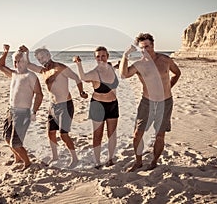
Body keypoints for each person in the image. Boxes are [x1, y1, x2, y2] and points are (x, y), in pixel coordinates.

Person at [120, 33, 181, 171]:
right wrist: (125, 55)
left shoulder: (165, 60)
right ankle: (138, 162)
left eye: (147, 46)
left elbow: (177, 73)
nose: (145, 50)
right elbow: (124, 75)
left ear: (153, 45)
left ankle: (154, 161)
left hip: (165, 103)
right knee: (137, 134)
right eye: (142, 48)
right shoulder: (139, 65)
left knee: (159, 136)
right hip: (147, 102)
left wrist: (169, 87)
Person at [23, 46, 88, 168]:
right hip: (52, 106)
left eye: (42, 57)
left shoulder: (60, 68)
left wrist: (81, 92)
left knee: (64, 135)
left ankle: (75, 159)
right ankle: (55, 156)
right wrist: (26, 52)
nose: (41, 60)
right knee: (51, 132)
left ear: (49, 55)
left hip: (65, 105)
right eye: (38, 58)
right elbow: (28, 65)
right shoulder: (43, 70)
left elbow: (76, 78)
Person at [0, 44, 43, 171]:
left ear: (26, 61)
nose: (17, 64)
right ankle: (17, 158)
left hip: (23, 113)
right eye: (15, 61)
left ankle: (27, 162)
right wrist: (5, 52)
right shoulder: (14, 74)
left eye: (20, 61)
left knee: (16, 143)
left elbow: (39, 94)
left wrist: (34, 111)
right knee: (7, 138)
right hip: (11, 111)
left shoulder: (31, 76)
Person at [73, 46, 119, 169]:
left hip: (113, 104)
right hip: (98, 106)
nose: (100, 58)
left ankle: (110, 159)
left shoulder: (110, 67)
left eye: (103, 55)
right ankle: (97, 161)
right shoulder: (94, 73)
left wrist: (122, 62)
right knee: (97, 135)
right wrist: (79, 64)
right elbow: (83, 77)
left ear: (107, 56)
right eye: (98, 56)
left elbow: (117, 65)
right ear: (95, 58)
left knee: (112, 134)